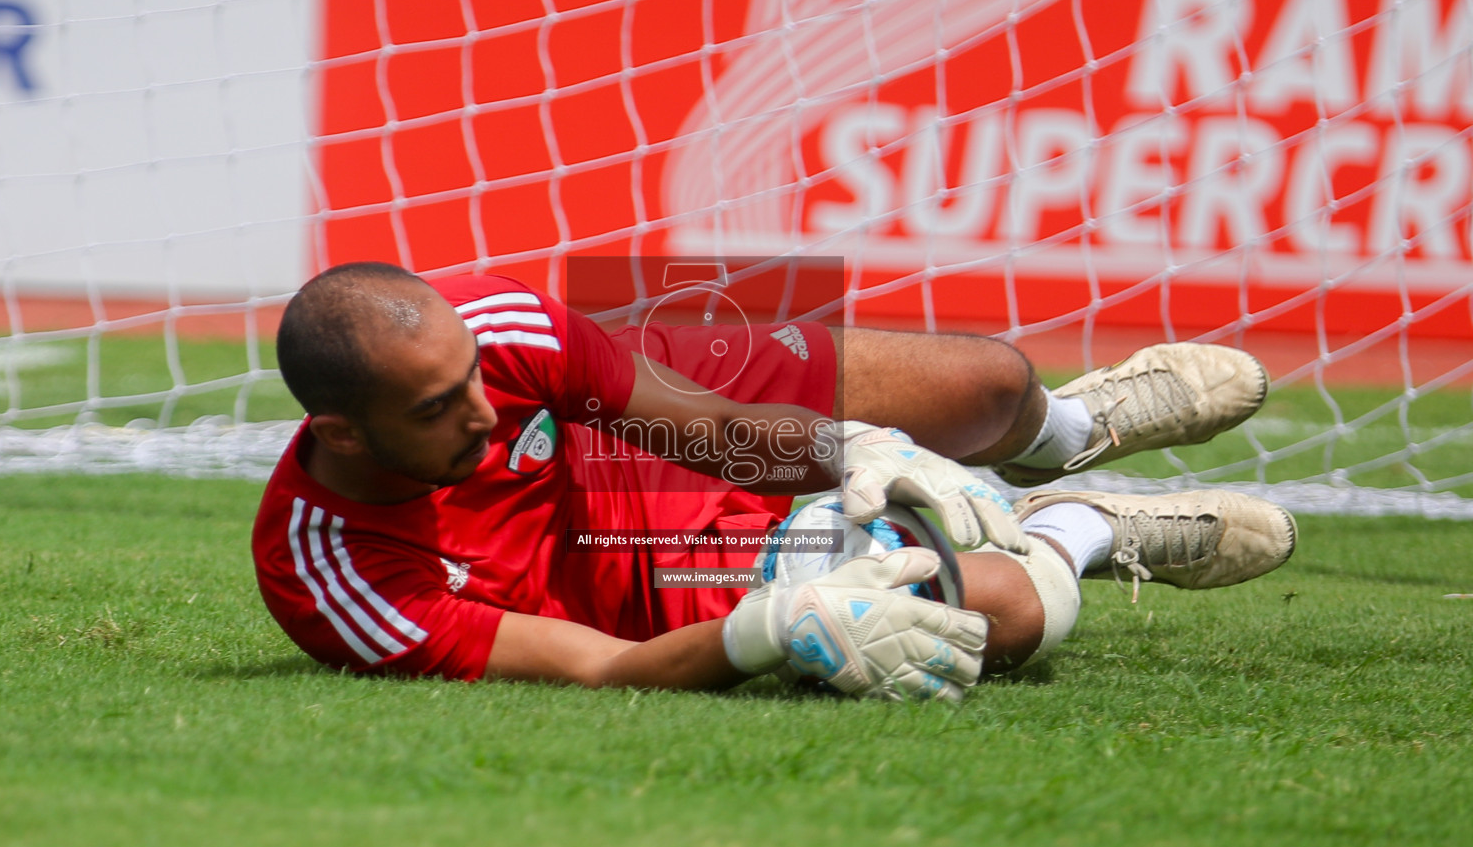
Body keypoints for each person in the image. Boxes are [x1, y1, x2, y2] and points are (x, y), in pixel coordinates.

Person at [251, 262, 1296, 702]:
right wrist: (774, 625)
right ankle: (1080, 526)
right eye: (436, 409)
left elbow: (713, 431)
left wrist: (858, 453)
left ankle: (1069, 430)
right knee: (1012, 602)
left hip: (647, 426)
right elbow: (602, 670)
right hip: (663, 581)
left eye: (473, 379)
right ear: (340, 432)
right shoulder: (334, 576)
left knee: (988, 383)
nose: (481, 410)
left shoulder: (498, 337)